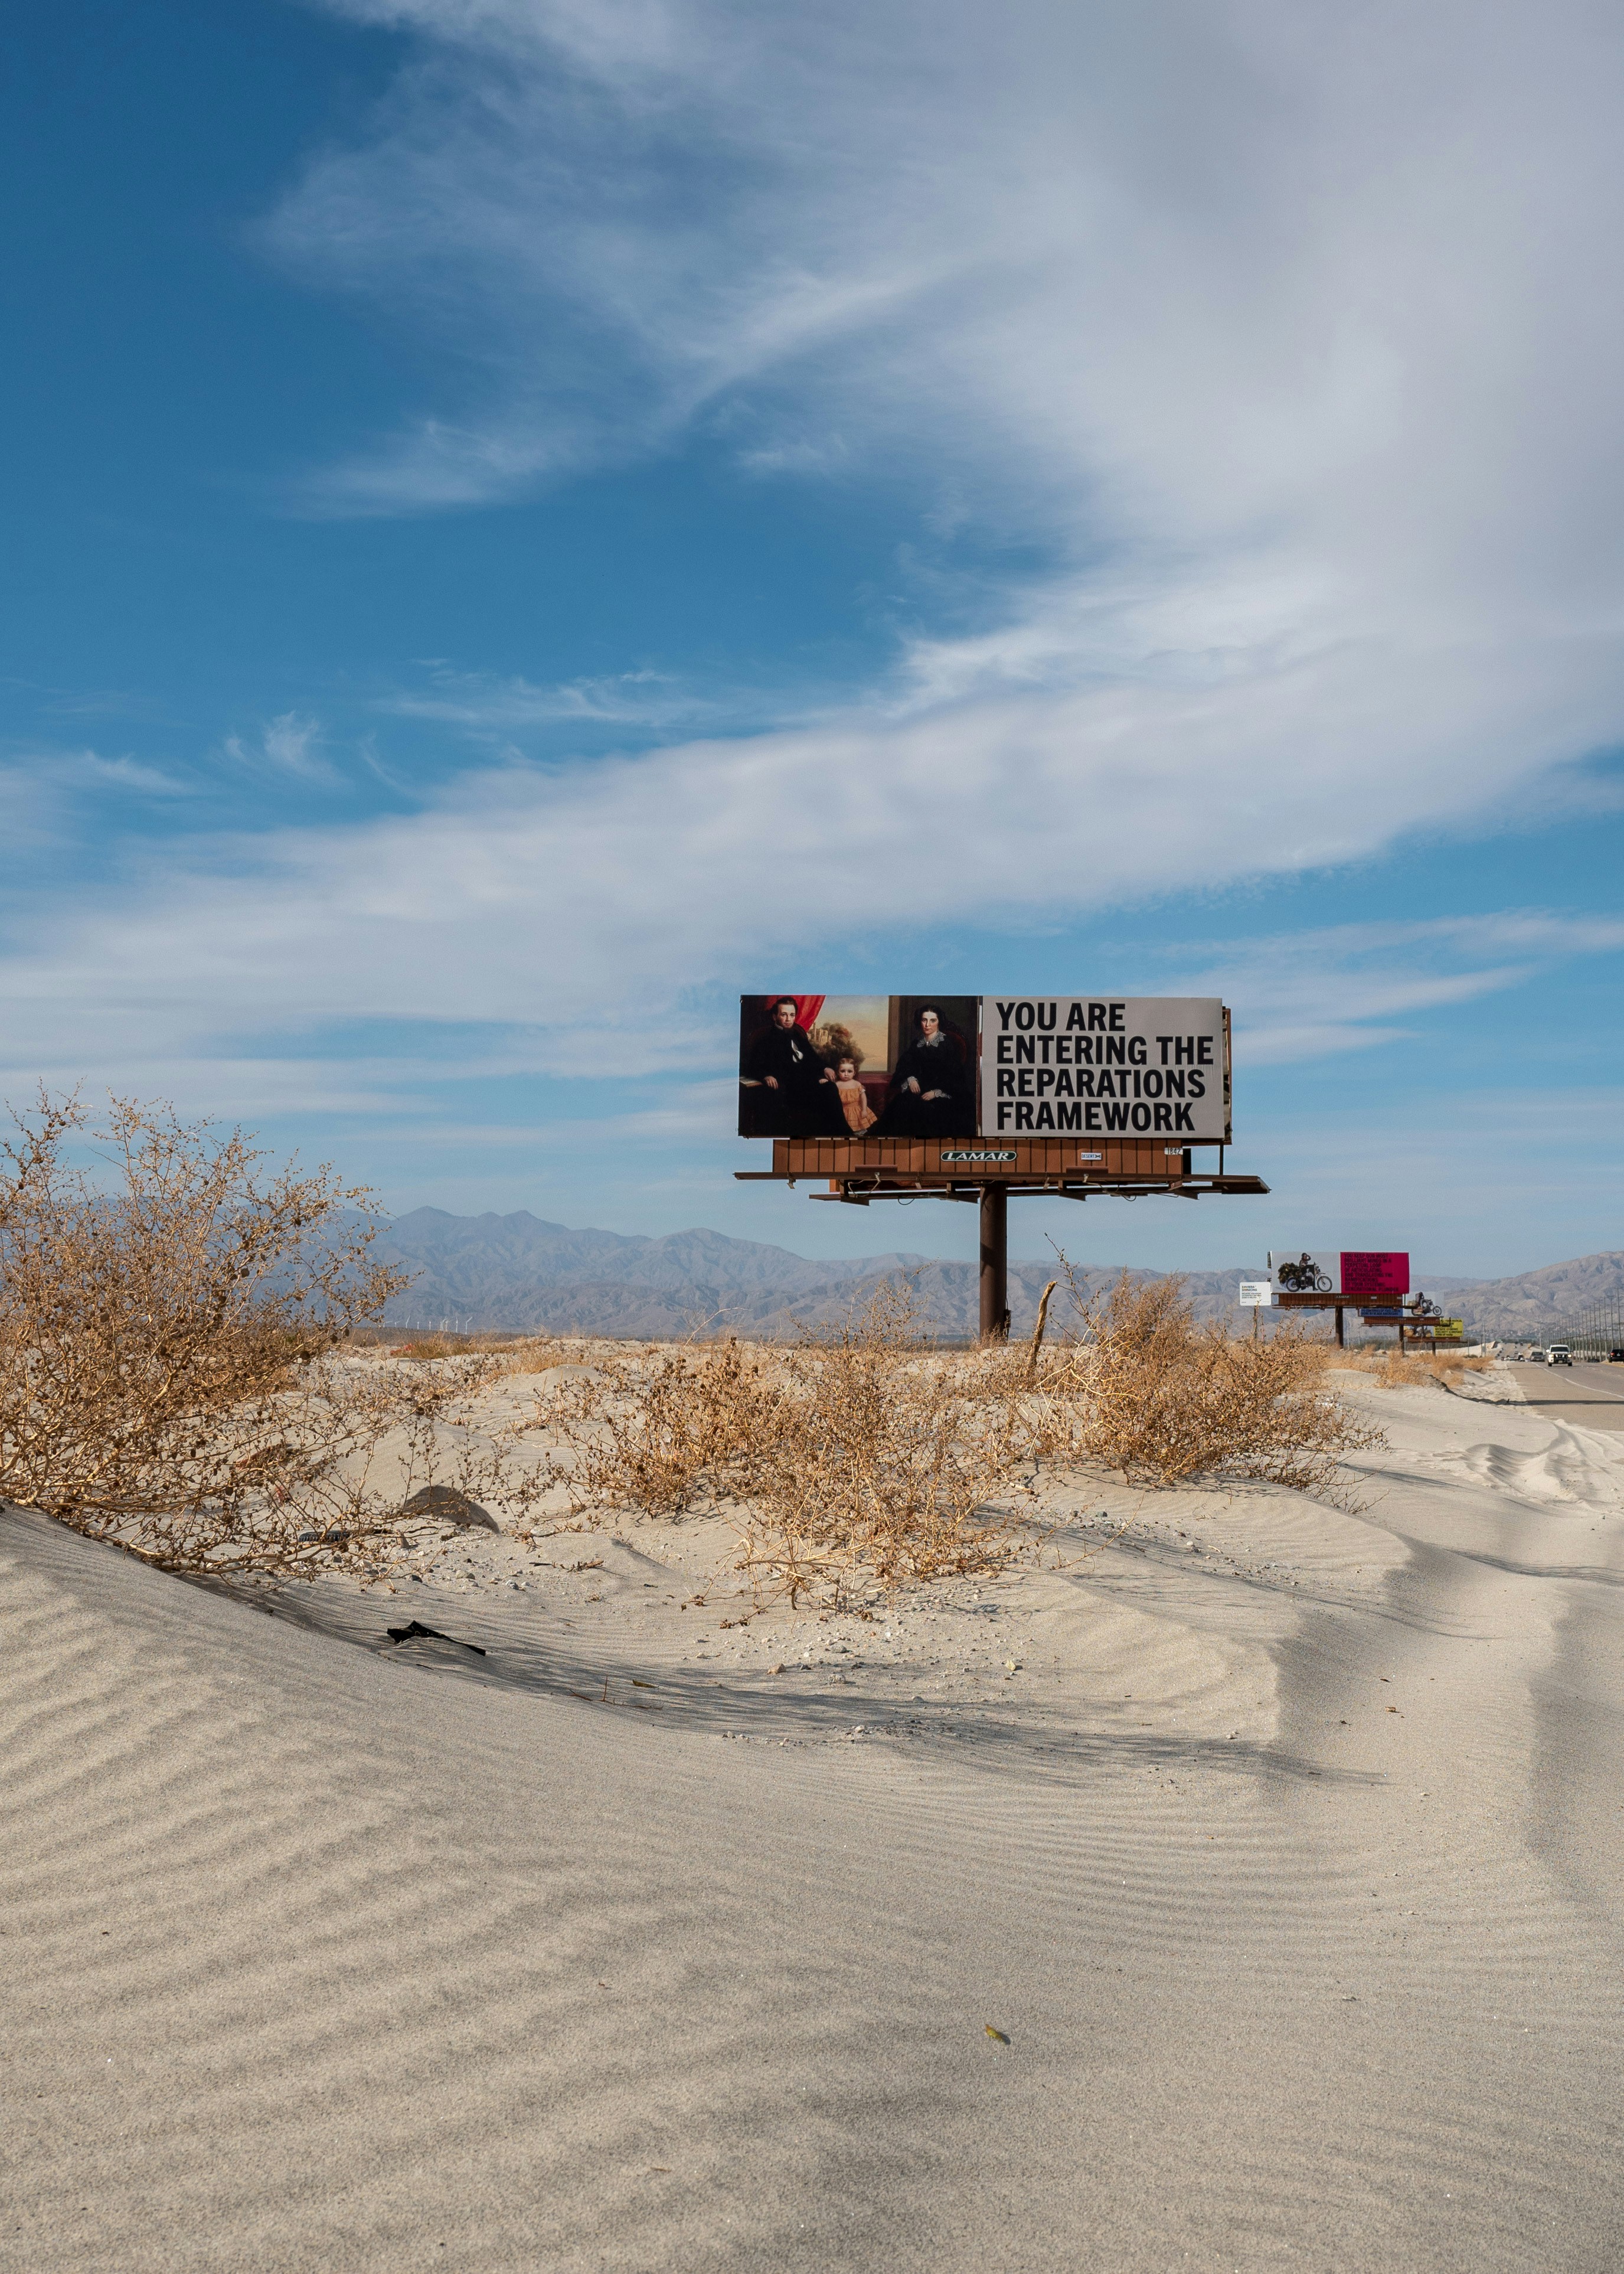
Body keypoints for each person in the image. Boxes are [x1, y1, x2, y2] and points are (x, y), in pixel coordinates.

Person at [739, 998, 848, 1137]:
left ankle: (843, 1132)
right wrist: (766, 1076)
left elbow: (812, 1057)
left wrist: (825, 1068)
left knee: (830, 1088)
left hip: (808, 1086)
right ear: (775, 1017)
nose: (788, 1019)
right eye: (784, 1014)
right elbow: (752, 1066)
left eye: (792, 1015)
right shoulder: (765, 1040)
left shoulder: (797, 1035)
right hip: (788, 1091)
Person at [871, 1004, 972, 1137]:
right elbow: (904, 1065)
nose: (927, 1025)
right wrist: (911, 1079)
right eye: (924, 1020)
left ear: (939, 1022)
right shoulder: (917, 1043)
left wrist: (937, 1092)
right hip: (918, 1090)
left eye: (933, 1021)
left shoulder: (947, 1044)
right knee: (901, 1104)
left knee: (925, 1112)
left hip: (944, 1092)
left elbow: (955, 1075)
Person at [832, 1055, 877, 1134]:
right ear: (838, 1072)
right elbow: (834, 1100)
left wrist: (864, 1110)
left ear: (854, 1072)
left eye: (850, 1071)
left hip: (857, 1111)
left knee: (858, 1131)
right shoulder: (837, 1085)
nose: (846, 1074)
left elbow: (863, 1098)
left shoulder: (857, 1084)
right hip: (843, 1111)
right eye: (843, 1071)